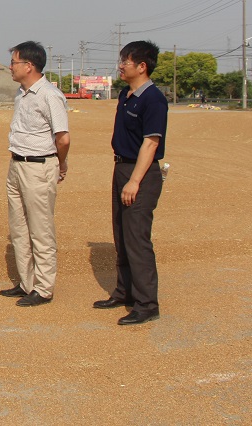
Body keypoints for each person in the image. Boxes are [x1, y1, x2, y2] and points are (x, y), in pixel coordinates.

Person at [94, 40, 168, 325]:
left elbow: (151, 143)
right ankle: (125, 292)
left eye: (125, 62)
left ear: (142, 66)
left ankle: (147, 304)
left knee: (137, 238)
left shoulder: (153, 99)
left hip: (141, 173)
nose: (120, 66)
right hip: (121, 168)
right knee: (122, 236)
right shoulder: (126, 95)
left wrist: (134, 181)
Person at [0, 41, 70, 306]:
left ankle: (43, 287)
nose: (10, 67)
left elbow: (63, 138)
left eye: (14, 62)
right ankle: (27, 283)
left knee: (40, 230)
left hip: (39, 166)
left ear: (29, 66)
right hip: (17, 164)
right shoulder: (21, 94)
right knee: (19, 228)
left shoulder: (49, 95)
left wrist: (60, 164)